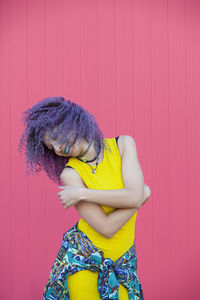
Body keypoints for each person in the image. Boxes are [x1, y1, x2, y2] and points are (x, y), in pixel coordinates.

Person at [18, 96, 151, 300]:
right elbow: (106, 228)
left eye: (55, 136)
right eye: (50, 146)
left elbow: (133, 196)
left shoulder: (123, 145)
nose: (57, 148)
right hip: (84, 261)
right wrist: (140, 197)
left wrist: (82, 193)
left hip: (124, 261)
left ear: (72, 121)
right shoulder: (70, 174)